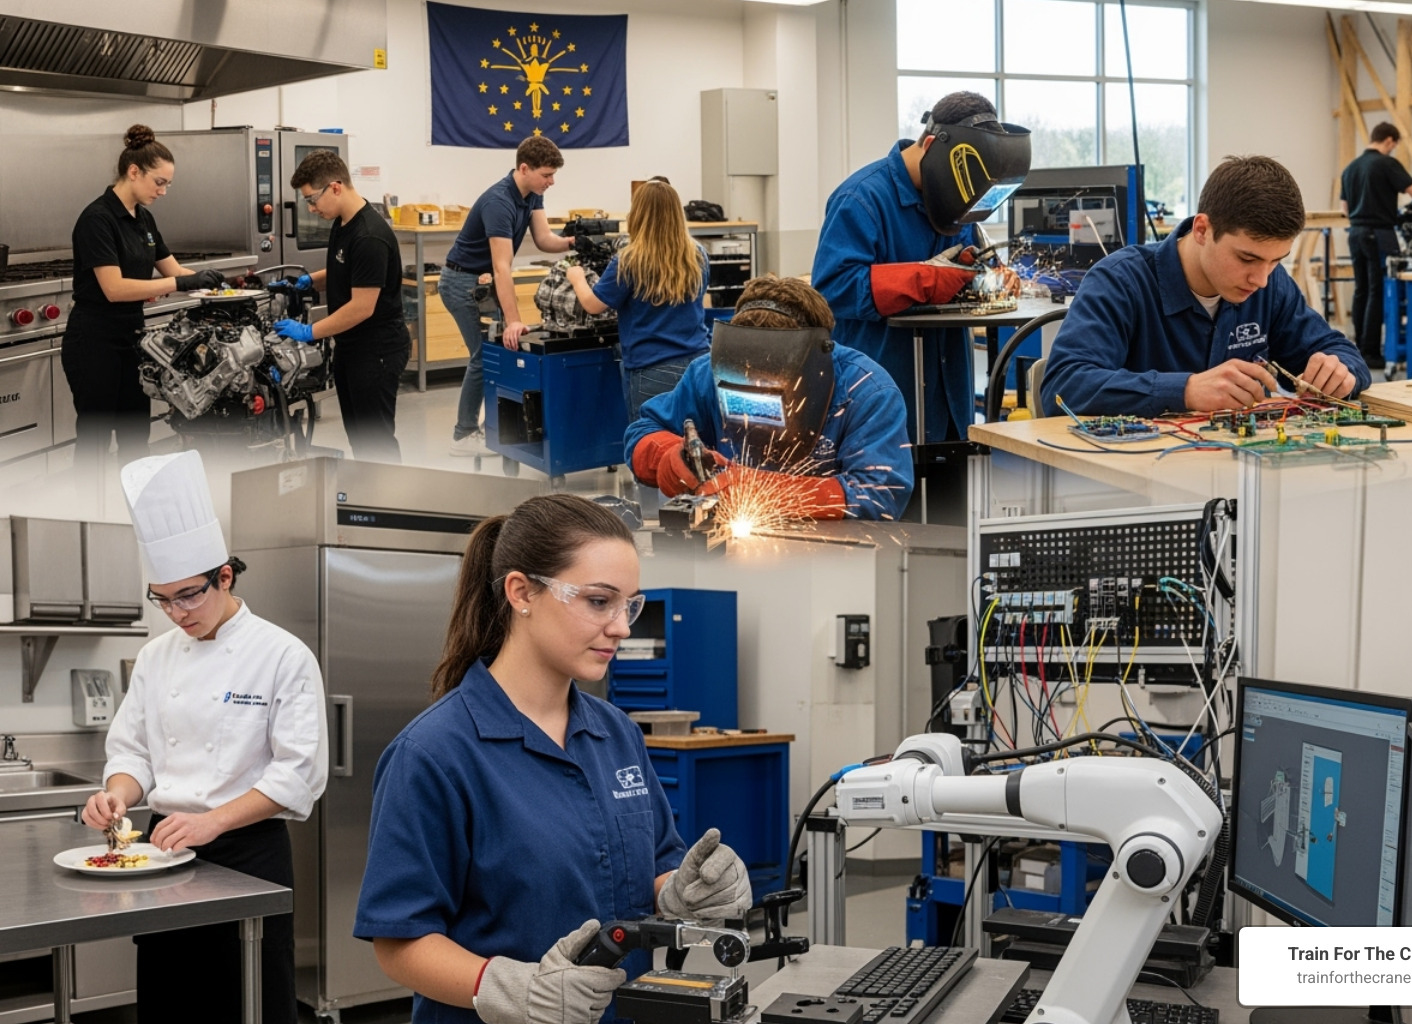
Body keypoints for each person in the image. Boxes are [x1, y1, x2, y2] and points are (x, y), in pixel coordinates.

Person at [353, 494, 753, 1024]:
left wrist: (683, 891)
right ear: (521, 592)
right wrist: (509, 989)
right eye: (598, 602)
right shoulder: (433, 754)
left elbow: (656, 863)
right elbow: (399, 940)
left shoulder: (615, 733)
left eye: (628, 604)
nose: (622, 627)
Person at [80, 450, 327, 1024]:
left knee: (252, 1002)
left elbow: (298, 774)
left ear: (225, 575)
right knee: (171, 1000)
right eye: (162, 599)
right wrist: (119, 793)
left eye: (189, 595)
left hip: (247, 854)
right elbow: (133, 749)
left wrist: (213, 821)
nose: (176, 612)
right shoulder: (154, 656)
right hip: (159, 852)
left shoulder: (282, 655)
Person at [1041, 155, 1371, 418]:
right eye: (1247, 259)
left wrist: (1341, 372)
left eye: (1276, 261)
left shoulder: (1270, 285)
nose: (1261, 279)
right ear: (1202, 230)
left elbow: (1342, 353)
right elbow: (1064, 386)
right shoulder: (1120, 282)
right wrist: (1185, 391)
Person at [812, 90, 1030, 445]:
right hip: (882, 399)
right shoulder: (861, 199)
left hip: (950, 403)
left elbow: (979, 260)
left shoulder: (958, 197)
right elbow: (833, 289)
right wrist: (923, 278)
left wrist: (992, 277)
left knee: (953, 493)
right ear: (931, 145)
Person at [625, 276, 914, 522]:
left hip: (836, 559)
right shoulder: (709, 374)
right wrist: (668, 457)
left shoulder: (866, 391)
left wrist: (766, 492)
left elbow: (881, 493)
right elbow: (642, 431)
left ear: (813, 362)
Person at [62, 125, 224, 483]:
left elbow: (174, 269)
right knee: (95, 438)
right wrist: (181, 283)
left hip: (131, 339)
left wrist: (223, 287)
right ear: (133, 172)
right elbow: (114, 289)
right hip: (94, 340)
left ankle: (135, 513)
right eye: (159, 182)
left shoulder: (143, 217)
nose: (163, 191)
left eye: (168, 184)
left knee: (136, 433)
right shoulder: (98, 219)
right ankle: (87, 515)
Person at [441, 137, 578, 457]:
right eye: (546, 174)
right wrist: (514, 320)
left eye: (554, 175)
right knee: (482, 358)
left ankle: (498, 429)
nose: (552, 181)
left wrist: (575, 242)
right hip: (462, 284)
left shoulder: (532, 194)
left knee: (501, 354)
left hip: (483, 281)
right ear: (524, 168)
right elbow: (503, 268)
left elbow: (544, 240)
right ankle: (462, 437)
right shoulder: (499, 203)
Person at [273, 151, 410, 463]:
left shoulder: (369, 236)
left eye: (312, 199)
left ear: (335, 187)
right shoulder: (342, 222)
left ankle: (390, 501)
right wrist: (307, 281)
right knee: (359, 438)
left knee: (375, 440)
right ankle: (368, 497)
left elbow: (362, 307)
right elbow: (345, 272)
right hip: (352, 346)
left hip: (377, 351)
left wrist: (309, 332)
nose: (311, 208)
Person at [564, 178, 711, 420]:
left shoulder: (629, 260)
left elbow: (593, 305)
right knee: (697, 446)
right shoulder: (698, 255)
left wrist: (577, 277)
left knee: (651, 449)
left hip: (652, 369)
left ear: (638, 214)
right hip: (698, 364)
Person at [1339, 122, 1412, 369]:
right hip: (1379, 233)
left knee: (1362, 290)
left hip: (1355, 233)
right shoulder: (1386, 163)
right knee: (1379, 291)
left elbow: (1345, 209)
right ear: (1390, 141)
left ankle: (1360, 349)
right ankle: (1372, 353)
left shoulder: (1350, 168)